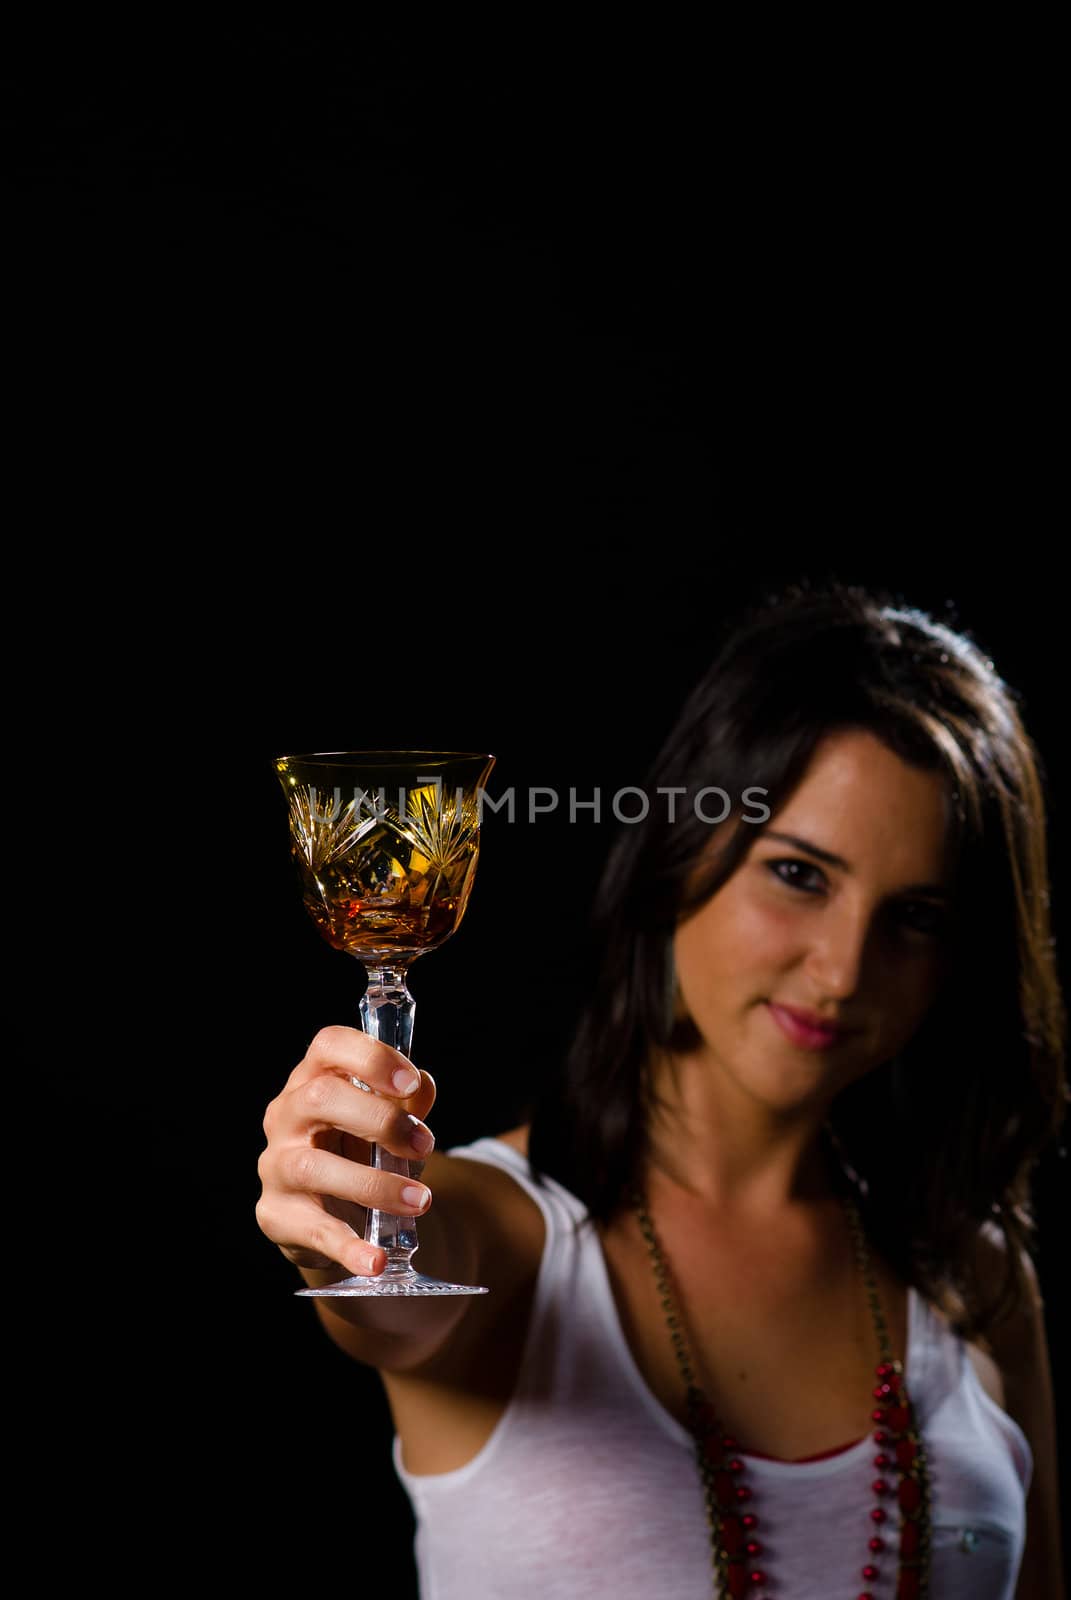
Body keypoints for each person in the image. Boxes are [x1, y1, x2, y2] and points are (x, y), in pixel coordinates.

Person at [256, 578, 1066, 1599]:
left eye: (916, 916)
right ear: (680, 858)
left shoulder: (977, 1276)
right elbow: (389, 1300)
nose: (843, 968)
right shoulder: (509, 1233)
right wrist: (334, 1225)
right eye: (800, 875)